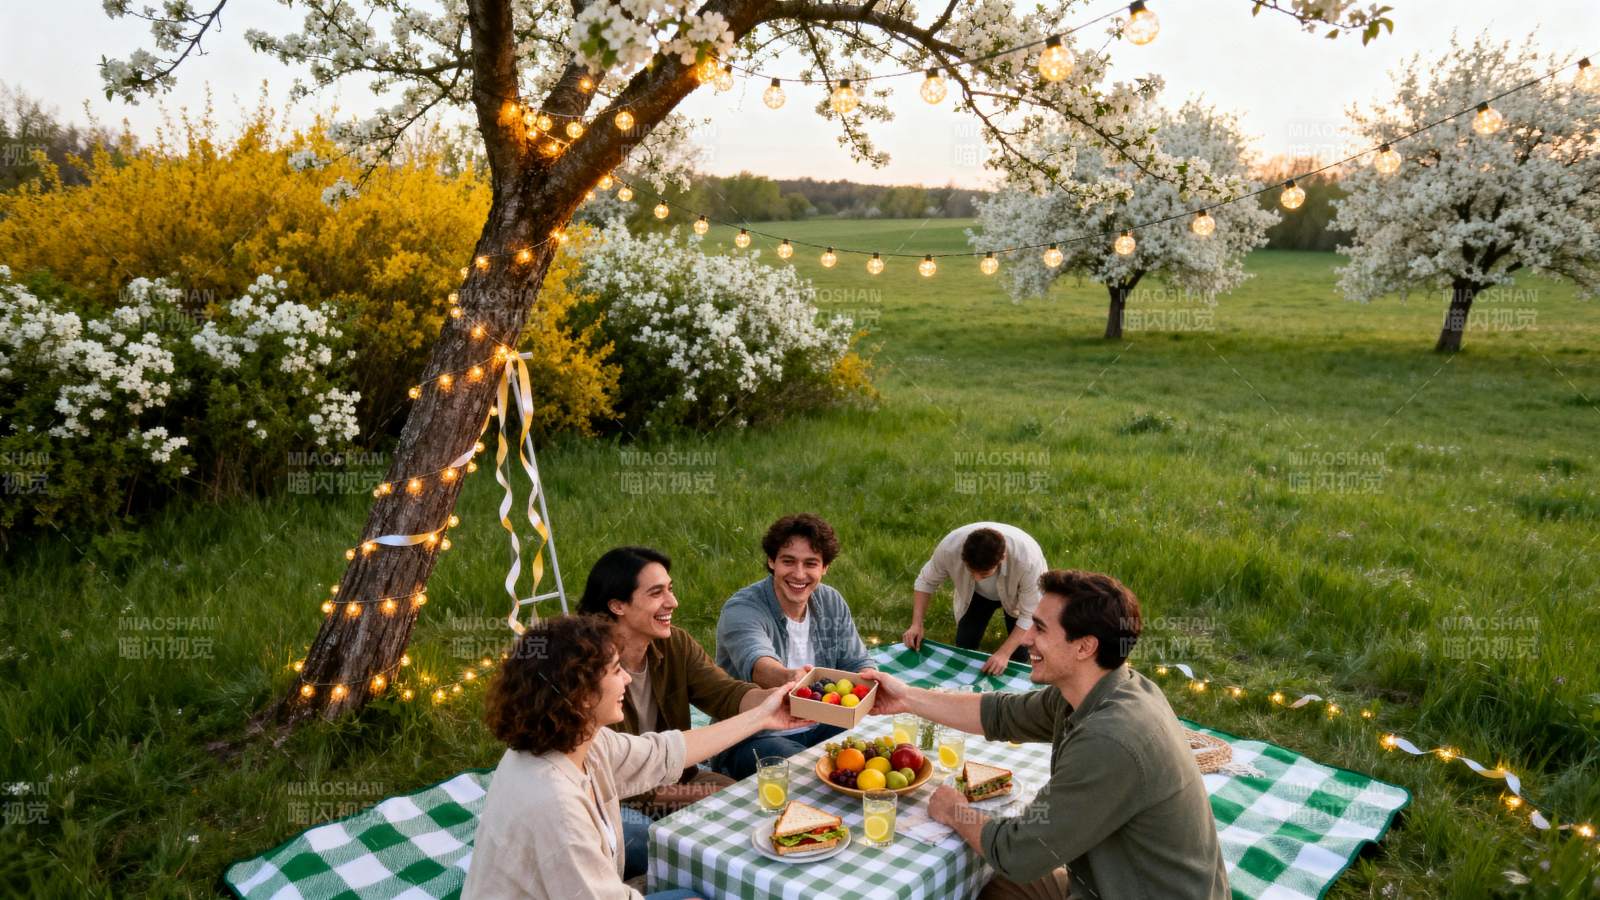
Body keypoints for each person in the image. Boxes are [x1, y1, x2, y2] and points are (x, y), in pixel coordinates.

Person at [865, 569, 1228, 900]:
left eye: (1040, 629)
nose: (1025, 640)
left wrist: (955, 810)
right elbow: (1000, 714)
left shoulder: (1111, 740)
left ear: (1085, 647)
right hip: (1100, 882)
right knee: (989, 888)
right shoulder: (1104, 688)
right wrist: (907, 697)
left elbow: (1018, 853)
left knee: (1000, 871)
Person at [463, 614, 809, 900]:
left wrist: (764, 716)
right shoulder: (555, 805)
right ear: (581, 694)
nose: (628, 678)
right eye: (615, 670)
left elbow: (666, 751)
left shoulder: (583, 741)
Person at [578, 545, 783, 881]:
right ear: (617, 605)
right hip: (614, 800)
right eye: (656, 593)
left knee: (755, 810)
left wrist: (775, 700)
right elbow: (609, 775)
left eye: (670, 589)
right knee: (659, 846)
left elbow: (726, 694)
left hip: (677, 777)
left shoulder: (675, 644)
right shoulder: (586, 667)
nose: (672, 602)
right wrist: (700, 797)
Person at [712, 513, 874, 780]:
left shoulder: (830, 601)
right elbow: (758, 662)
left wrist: (872, 678)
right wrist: (791, 679)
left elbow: (857, 663)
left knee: (868, 758)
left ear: (825, 568)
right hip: (753, 736)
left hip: (822, 722)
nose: (799, 574)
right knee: (806, 774)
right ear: (771, 561)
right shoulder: (742, 608)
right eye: (788, 561)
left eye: (811, 563)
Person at [905, 522, 1048, 675]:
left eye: (984, 574)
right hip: (976, 595)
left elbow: (1028, 615)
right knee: (964, 644)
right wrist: (916, 624)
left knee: (1019, 656)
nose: (978, 579)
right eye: (972, 572)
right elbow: (926, 581)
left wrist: (1004, 653)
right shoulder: (949, 548)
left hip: (1018, 596)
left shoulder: (1028, 561)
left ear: (1002, 558)